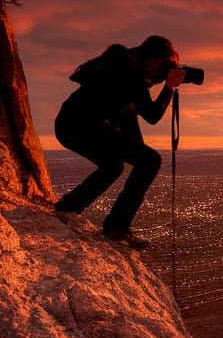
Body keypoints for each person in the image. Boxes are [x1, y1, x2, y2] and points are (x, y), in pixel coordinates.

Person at [53, 35, 186, 249]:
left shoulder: (125, 63)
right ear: (152, 59)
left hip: (71, 124)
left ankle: (68, 207)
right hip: (79, 125)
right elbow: (152, 115)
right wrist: (170, 87)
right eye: (163, 67)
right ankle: (116, 226)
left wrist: (138, 151)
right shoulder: (130, 75)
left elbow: (130, 121)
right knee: (150, 161)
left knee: (113, 166)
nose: (162, 74)